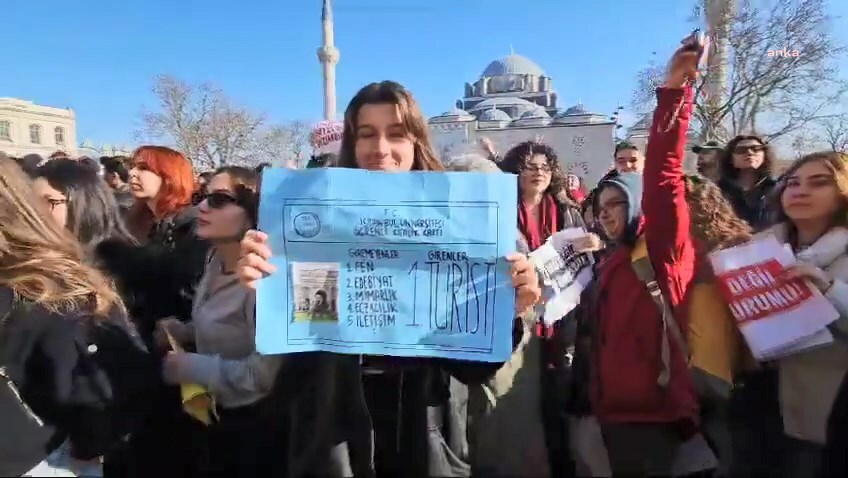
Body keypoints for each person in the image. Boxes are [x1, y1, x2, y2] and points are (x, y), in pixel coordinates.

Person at [237, 80, 541, 478]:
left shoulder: (458, 226)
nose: (380, 149)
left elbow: (472, 369)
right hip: (335, 443)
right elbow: (300, 343)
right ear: (351, 143)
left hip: (422, 437)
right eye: (367, 135)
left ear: (417, 142)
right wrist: (265, 286)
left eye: (396, 134)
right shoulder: (314, 226)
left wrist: (508, 311)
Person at [0, 157, 160, 477]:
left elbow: (100, 380)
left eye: (50, 202)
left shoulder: (89, 274)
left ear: (81, 203)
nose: (38, 212)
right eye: (35, 201)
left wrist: (92, 444)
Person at [589, 41, 699, 477]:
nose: (604, 214)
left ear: (637, 205)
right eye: (600, 206)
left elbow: (664, 175)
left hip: (654, 416)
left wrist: (674, 92)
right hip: (613, 412)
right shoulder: (613, 259)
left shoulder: (661, 250)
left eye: (616, 203)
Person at [156, 166, 285, 477]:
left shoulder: (266, 280)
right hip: (216, 419)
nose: (201, 206)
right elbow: (222, 326)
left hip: (256, 433)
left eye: (219, 199)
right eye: (203, 197)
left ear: (255, 211)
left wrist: (190, 367)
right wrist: (184, 331)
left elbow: (265, 377)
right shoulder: (216, 258)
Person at [754, 151, 848, 478]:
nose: (800, 190)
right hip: (762, 407)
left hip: (831, 416)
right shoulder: (758, 251)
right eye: (792, 182)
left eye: (819, 182)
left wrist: (828, 291)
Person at [32, 159, 137, 250]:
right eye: (33, 202)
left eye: (48, 202)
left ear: (86, 206)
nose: (36, 212)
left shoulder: (123, 267)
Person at [717, 135, 777, 230]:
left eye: (756, 149)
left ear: (764, 155)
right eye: (741, 150)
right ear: (731, 159)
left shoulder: (778, 189)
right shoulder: (717, 191)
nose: (749, 152)